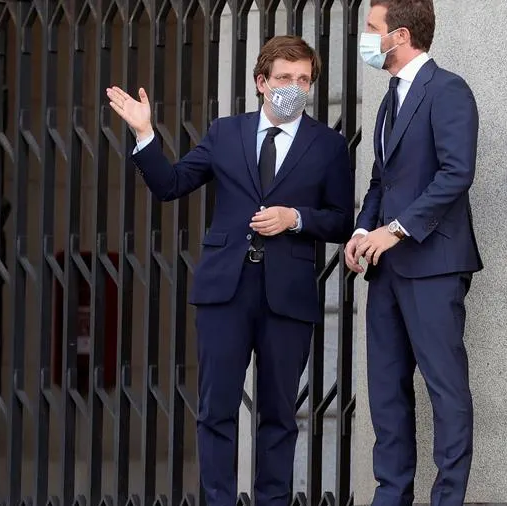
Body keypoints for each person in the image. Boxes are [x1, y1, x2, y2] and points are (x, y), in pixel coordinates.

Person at [106, 35, 355, 506]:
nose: (295, 88)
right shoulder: (226, 132)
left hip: (288, 294)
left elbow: (343, 220)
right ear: (262, 82)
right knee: (216, 409)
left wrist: (295, 218)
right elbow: (171, 184)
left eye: (304, 80)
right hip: (226, 291)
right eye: (285, 78)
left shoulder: (327, 145)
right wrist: (144, 135)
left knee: (280, 413)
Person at [344, 0, 482, 504]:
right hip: (385, 269)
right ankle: (392, 496)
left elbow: (455, 173)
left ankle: (447, 498)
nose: (365, 37)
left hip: (433, 265)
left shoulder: (447, 90)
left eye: (370, 28)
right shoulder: (390, 98)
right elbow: (383, 178)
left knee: (445, 392)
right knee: (386, 392)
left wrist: (395, 230)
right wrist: (363, 231)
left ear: (399, 36)